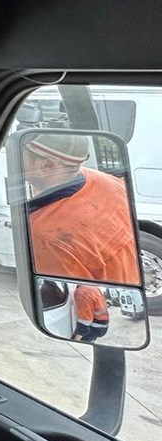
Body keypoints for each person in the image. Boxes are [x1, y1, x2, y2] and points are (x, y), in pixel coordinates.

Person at [23, 133, 141, 342]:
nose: (18, 161)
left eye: (23, 156)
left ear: (47, 165)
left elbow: (68, 301)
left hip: (92, 321)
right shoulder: (105, 181)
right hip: (124, 288)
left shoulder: (45, 233)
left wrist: (78, 336)